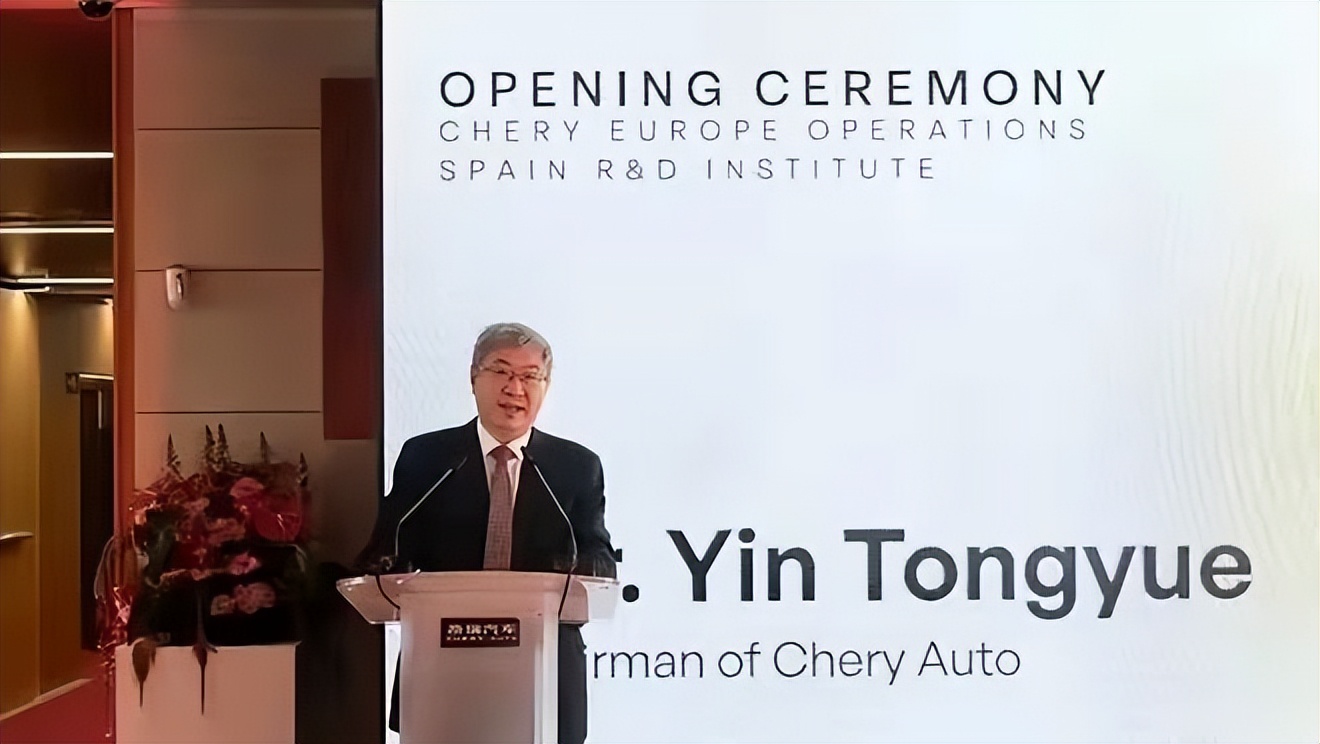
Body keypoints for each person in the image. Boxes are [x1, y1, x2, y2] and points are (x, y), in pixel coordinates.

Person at [359, 322, 616, 744]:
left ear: (546, 387)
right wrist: (386, 566)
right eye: (501, 371)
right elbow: (386, 548)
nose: (515, 388)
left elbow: (600, 557)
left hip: (546, 673)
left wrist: (580, 569)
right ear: (473, 377)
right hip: (442, 670)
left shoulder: (575, 466)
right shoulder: (427, 457)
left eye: (530, 376)